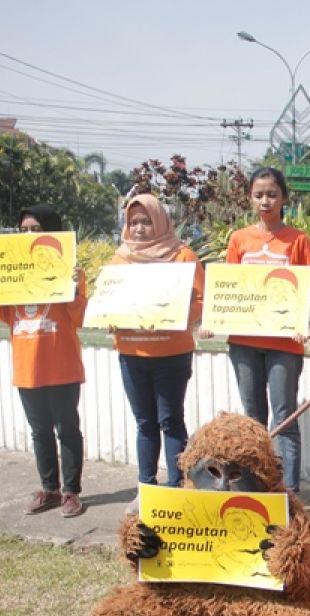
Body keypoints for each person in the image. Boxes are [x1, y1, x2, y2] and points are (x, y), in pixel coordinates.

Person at [0, 204, 87, 518]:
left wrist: (75, 288)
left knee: (68, 430)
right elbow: (6, 313)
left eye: (36, 229)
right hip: (27, 369)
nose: (29, 235)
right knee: (40, 432)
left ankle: (71, 492)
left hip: (62, 367)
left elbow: (79, 317)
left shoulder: (70, 273)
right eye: (24, 230)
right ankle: (49, 489)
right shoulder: (15, 272)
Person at [223, 166, 310, 494]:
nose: (265, 200)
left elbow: (304, 288)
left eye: (272, 194)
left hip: (284, 342)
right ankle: (256, 489)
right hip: (244, 342)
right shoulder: (239, 239)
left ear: (284, 198)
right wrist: (217, 319)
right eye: (259, 194)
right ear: (250, 198)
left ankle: (289, 494)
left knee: (284, 418)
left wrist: (300, 322)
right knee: (252, 421)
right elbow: (230, 288)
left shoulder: (298, 240)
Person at [110, 194, 204, 514]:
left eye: (146, 221)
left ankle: (177, 486)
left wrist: (179, 313)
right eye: (133, 222)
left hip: (172, 354)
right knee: (145, 422)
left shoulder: (182, 257)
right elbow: (107, 302)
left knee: (171, 420)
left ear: (160, 221)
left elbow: (201, 300)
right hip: (132, 352)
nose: (139, 228)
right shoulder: (119, 261)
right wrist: (109, 317)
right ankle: (147, 489)